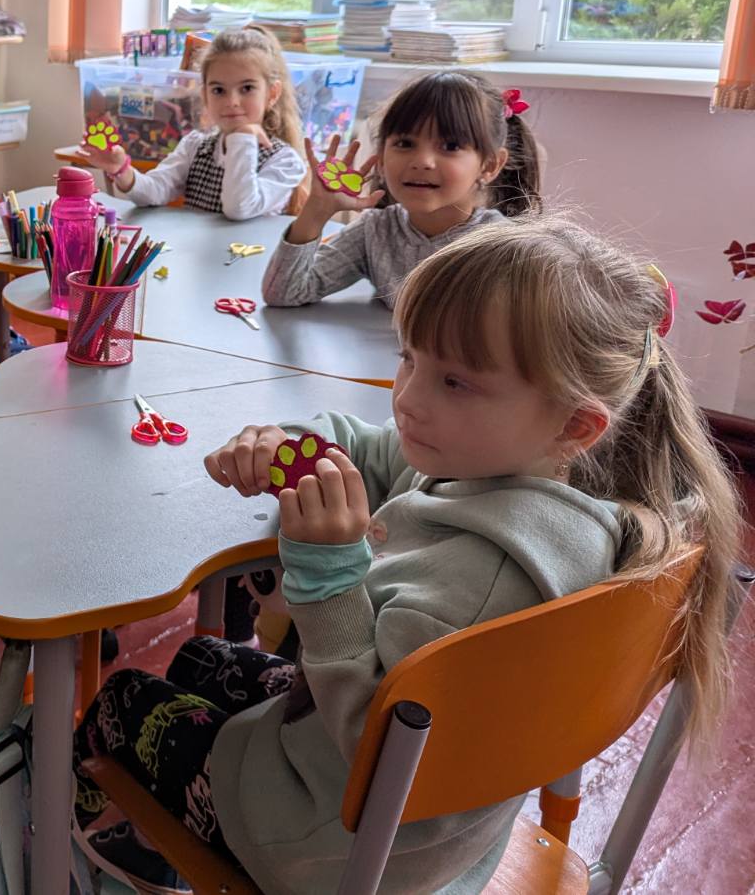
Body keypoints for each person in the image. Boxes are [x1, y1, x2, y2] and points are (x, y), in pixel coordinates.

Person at [71, 217, 741, 894]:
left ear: (575, 423)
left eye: (455, 382)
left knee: (123, 699)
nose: (409, 399)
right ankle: (160, 833)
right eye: (409, 358)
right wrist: (290, 444)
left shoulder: (487, 578)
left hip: (332, 846)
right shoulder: (506, 467)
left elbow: (372, 745)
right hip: (410, 824)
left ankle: (98, 856)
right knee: (197, 658)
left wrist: (330, 572)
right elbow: (367, 445)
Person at [262, 70, 541, 308]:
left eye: (450, 146)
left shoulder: (502, 248)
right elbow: (284, 293)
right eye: (405, 144)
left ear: (489, 165)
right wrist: (317, 210)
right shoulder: (375, 231)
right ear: (382, 158)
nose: (422, 161)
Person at [76, 27, 309, 218]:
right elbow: (156, 190)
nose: (232, 101)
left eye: (247, 88)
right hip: (197, 257)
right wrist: (121, 170)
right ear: (205, 95)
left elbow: (239, 208)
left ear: (272, 93)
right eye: (219, 90)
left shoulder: (285, 161)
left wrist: (243, 137)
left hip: (252, 261)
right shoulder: (196, 145)